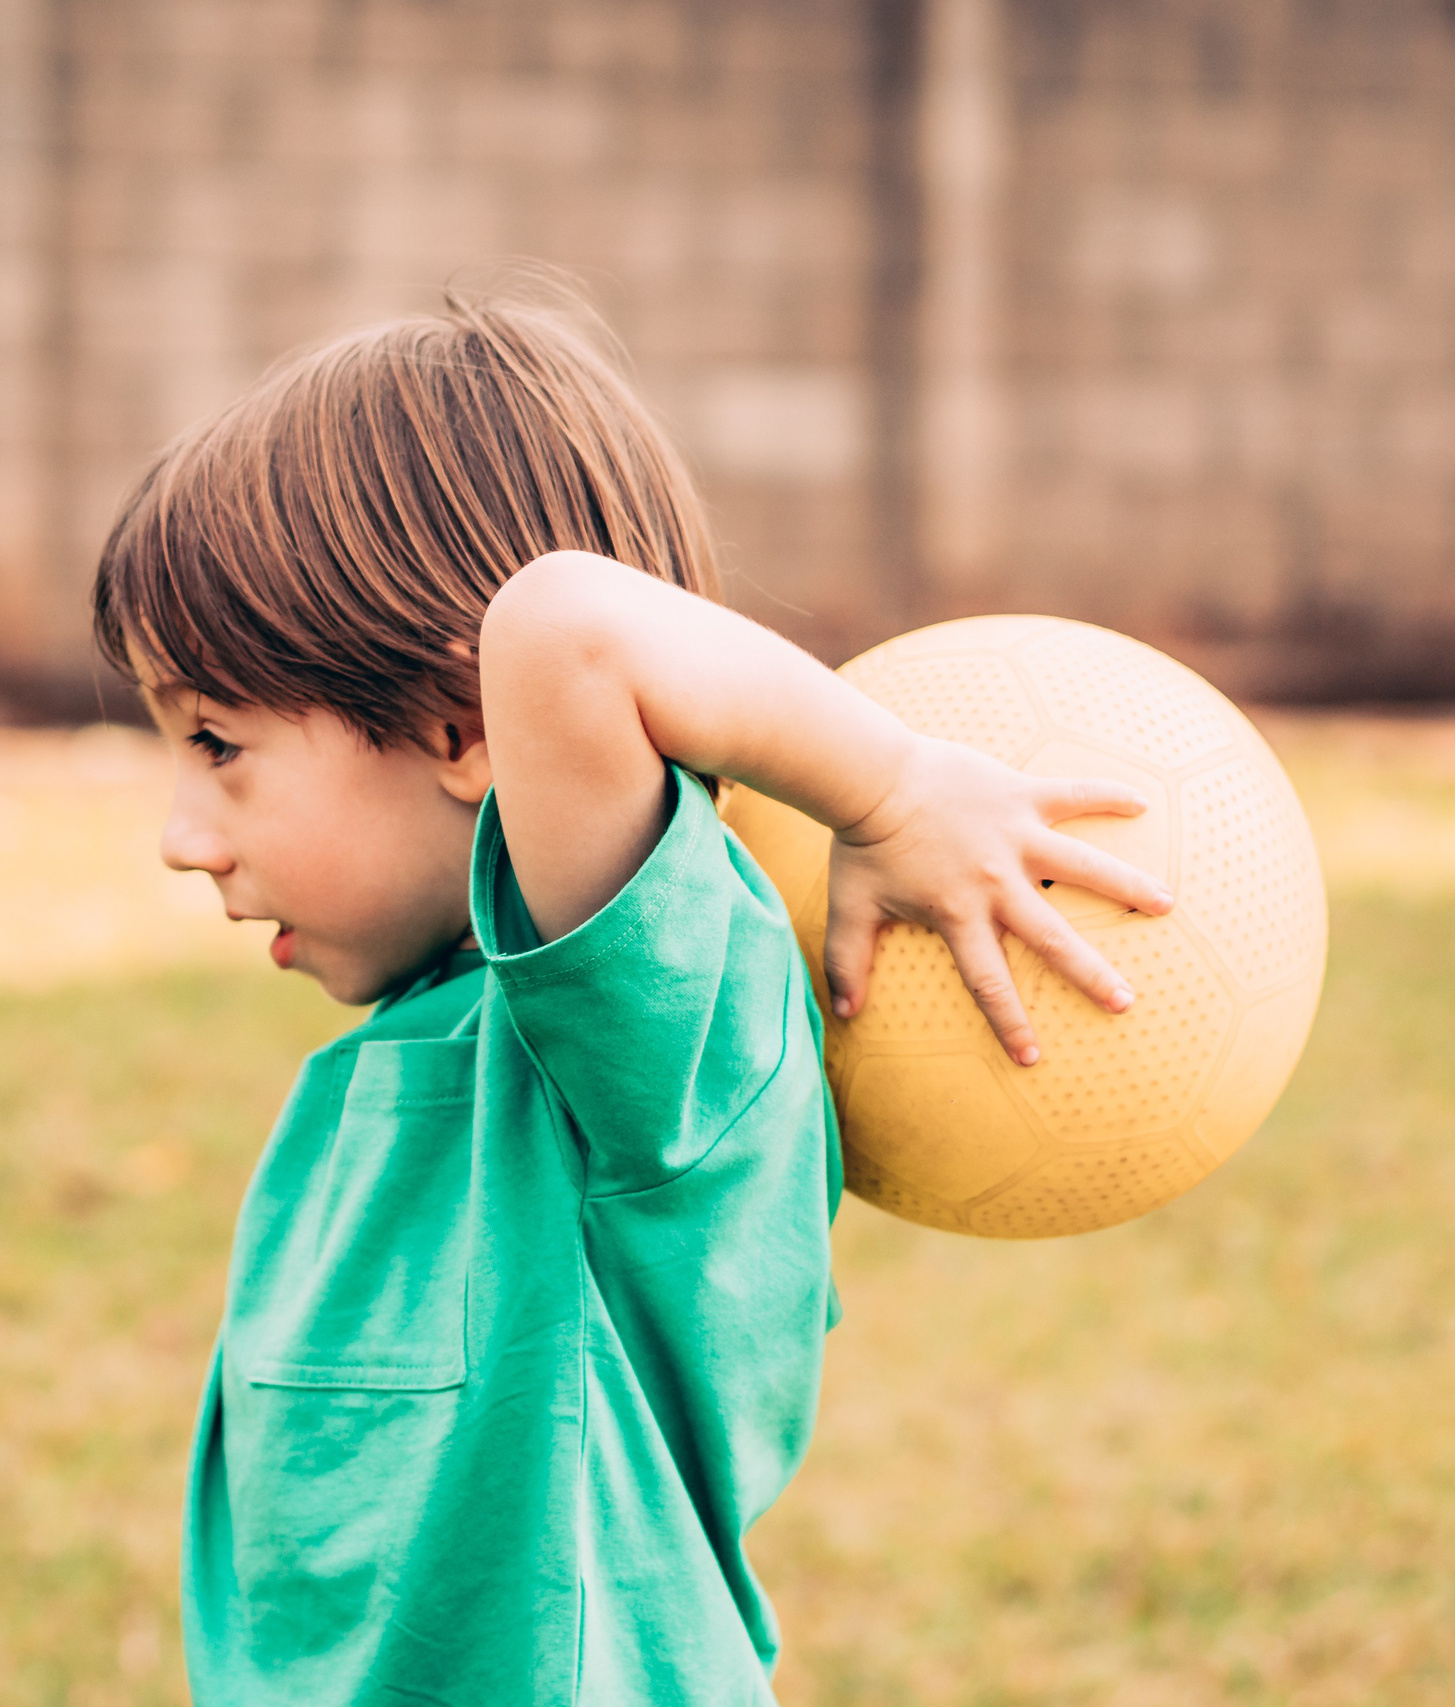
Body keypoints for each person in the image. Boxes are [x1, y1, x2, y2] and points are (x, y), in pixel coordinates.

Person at [90, 289, 1173, 1704]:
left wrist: (893, 794)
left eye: (219, 744)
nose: (183, 834)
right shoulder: (413, 1049)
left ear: (459, 727)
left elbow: (565, 627)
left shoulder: (632, 1038)